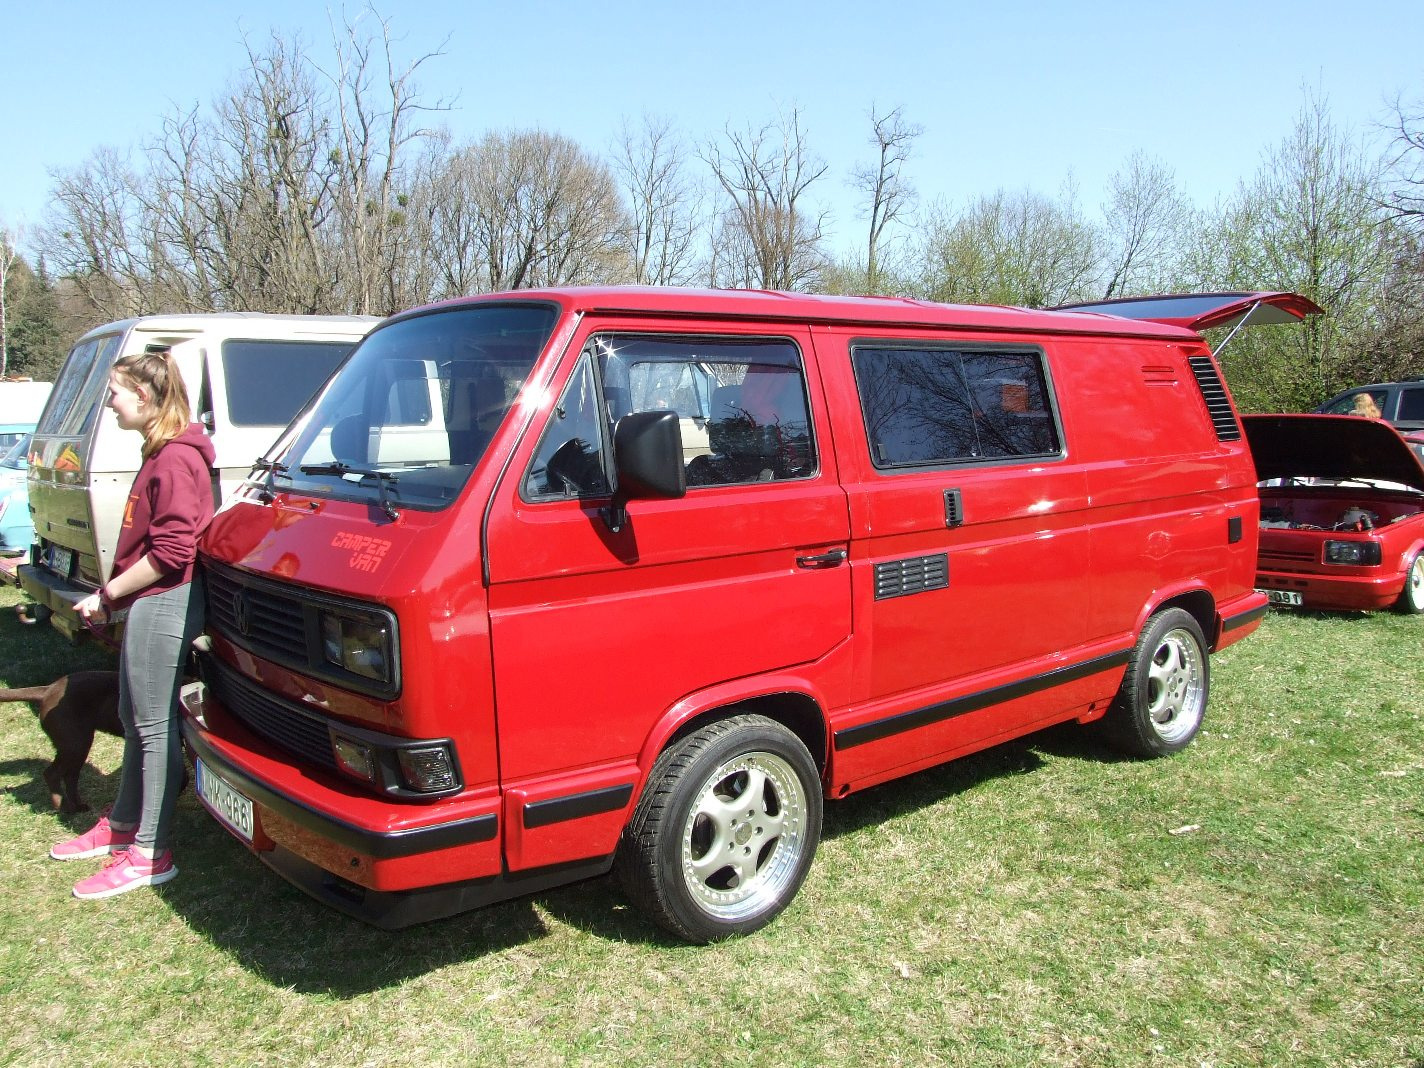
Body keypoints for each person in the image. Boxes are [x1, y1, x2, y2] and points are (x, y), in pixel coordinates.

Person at [48, 350, 215, 899]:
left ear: (144, 397)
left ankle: (150, 852)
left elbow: (172, 550)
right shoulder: (160, 453)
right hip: (148, 600)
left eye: (116, 393)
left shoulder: (174, 460)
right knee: (132, 714)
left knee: (152, 727)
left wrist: (108, 594)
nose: (111, 404)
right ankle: (123, 825)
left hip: (165, 597)